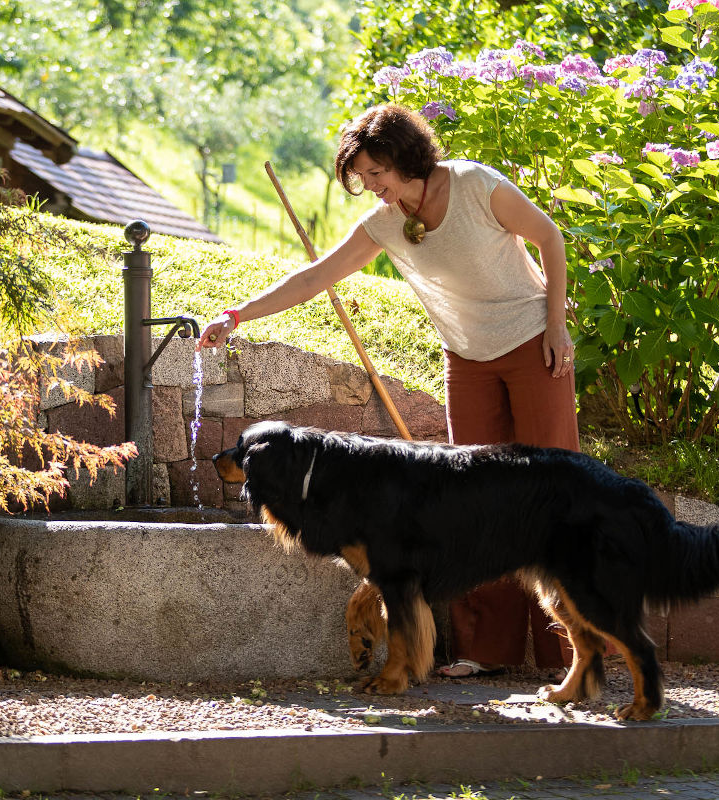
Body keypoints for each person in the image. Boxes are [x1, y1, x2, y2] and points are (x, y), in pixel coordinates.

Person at [197, 103, 579, 681]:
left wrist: (555, 323)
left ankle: (570, 650)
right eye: (362, 178)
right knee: (472, 502)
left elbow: (550, 237)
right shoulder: (385, 222)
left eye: (376, 173)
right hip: (467, 361)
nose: (370, 187)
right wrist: (238, 315)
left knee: (552, 490)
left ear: (405, 157)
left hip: (533, 345)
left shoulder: (477, 186)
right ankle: (490, 649)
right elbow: (313, 277)